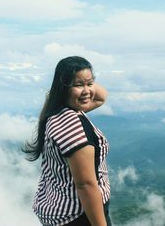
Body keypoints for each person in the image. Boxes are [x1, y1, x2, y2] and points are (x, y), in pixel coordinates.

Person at [23, 56, 111, 226]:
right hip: (80, 216)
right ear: (62, 88)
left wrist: (81, 78)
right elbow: (85, 185)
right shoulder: (72, 128)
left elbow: (101, 97)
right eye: (78, 85)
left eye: (90, 83)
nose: (87, 91)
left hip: (59, 209)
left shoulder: (57, 111)